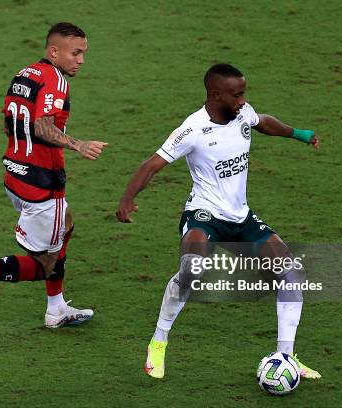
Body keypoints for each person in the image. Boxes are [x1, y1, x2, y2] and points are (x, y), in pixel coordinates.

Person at [116, 63, 322, 379]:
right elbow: (151, 165)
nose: (242, 100)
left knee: (291, 272)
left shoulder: (242, 112)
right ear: (216, 94)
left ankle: (286, 357)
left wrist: (299, 134)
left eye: (244, 93)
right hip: (205, 216)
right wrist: (127, 200)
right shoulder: (193, 130)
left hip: (241, 217)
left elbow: (263, 122)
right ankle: (159, 342)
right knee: (191, 271)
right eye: (236, 94)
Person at [0, 22, 108, 329]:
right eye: (76, 53)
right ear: (54, 51)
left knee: (66, 226)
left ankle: (56, 308)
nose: (81, 60)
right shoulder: (55, 81)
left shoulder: (24, 74)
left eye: (84, 53)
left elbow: (7, 122)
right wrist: (78, 144)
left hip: (15, 175)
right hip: (43, 186)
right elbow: (43, 125)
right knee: (47, 265)